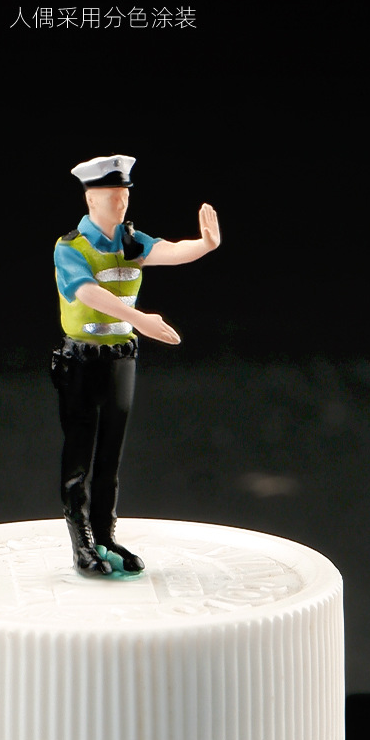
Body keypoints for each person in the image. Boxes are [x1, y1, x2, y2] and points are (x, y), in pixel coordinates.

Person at [52, 155, 221, 576]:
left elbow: (169, 250)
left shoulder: (130, 242)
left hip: (120, 360)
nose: (121, 203)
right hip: (82, 361)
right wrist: (140, 319)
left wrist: (204, 245)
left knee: (110, 456)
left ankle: (105, 535)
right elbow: (87, 292)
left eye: (124, 195)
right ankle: (82, 543)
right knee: (80, 457)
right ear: (91, 199)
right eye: (112, 196)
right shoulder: (70, 248)